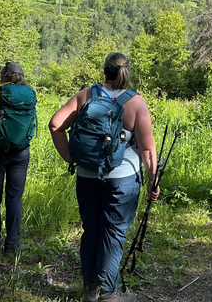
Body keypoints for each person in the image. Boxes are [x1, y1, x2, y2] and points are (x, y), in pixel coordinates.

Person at [48, 52, 159, 302]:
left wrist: (70, 158)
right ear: (127, 71)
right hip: (122, 179)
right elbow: (147, 149)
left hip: (87, 175)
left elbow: (55, 124)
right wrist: (153, 180)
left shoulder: (86, 95)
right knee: (114, 232)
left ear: (104, 71)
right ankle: (108, 293)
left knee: (92, 230)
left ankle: (90, 290)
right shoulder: (136, 103)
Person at [0, 62, 36, 255]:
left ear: (3, 75)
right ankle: (12, 244)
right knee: (14, 198)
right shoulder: (29, 95)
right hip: (20, 152)